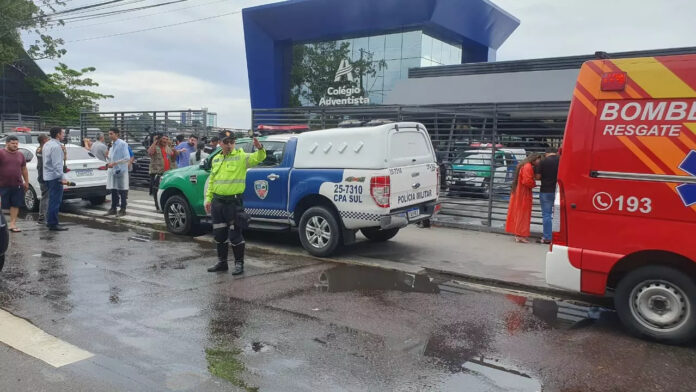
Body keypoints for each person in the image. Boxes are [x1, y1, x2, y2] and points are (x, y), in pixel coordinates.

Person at [206, 133, 266, 274]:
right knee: (219, 234)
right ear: (220, 143)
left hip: (233, 202)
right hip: (217, 202)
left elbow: (259, 158)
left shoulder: (241, 157)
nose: (229, 144)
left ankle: (239, 264)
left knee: (235, 235)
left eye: (232, 142)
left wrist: (260, 148)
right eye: (226, 142)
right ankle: (222, 263)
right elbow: (212, 181)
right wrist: (208, 199)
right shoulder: (216, 159)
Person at [505, 153, 542, 243]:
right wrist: (534, 183)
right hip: (523, 193)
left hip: (519, 192)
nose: (539, 162)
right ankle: (521, 235)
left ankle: (518, 234)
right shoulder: (528, 167)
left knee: (519, 213)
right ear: (534, 159)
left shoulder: (523, 165)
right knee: (523, 214)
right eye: (539, 160)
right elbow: (527, 181)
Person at [0, 136, 29, 232]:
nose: (15, 145)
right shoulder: (1, 153)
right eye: (13, 143)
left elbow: (24, 169)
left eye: (16, 143)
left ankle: (12, 224)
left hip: (17, 184)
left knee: (15, 204)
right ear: (7, 143)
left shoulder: (20, 155)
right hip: (2, 184)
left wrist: (26, 182)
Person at [43, 127, 70, 231]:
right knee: (55, 201)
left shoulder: (48, 144)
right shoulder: (55, 146)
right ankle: (53, 223)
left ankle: (51, 221)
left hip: (49, 176)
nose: (63, 135)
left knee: (52, 200)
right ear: (58, 134)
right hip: (55, 177)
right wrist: (62, 177)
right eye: (62, 133)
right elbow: (57, 165)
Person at [536, 148, 560, 244]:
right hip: (559, 191)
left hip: (546, 190)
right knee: (558, 215)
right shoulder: (561, 160)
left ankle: (547, 238)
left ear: (546, 153)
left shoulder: (543, 161)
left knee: (547, 215)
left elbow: (537, 177)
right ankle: (559, 238)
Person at [104, 128, 130, 216]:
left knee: (122, 191)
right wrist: (107, 157)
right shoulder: (112, 144)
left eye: (111, 134)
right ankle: (113, 208)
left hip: (121, 171)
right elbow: (111, 157)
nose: (110, 136)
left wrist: (115, 164)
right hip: (113, 171)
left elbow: (127, 158)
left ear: (117, 134)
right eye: (109, 134)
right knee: (113, 190)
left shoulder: (122, 144)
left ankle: (123, 209)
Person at [148, 134, 178, 210]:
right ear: (160, 140)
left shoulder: (169, 148)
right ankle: (158, 206)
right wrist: (155, 142)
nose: (165, 140)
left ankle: (167, 206)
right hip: (157, 173)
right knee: (157, 190)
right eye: (163, 139)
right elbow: (150, 153)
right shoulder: (156, 147)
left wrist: (175, 152)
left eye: (166, 139)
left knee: (168, 190)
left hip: (169, 173)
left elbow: (173, 159)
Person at [35, 134, 51, 224]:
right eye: (48, 139)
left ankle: (43, 216)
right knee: (45, 197)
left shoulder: (39, 149)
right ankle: (42, 217)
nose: (49, 140)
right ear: (44, 140)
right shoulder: (42, 150)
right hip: (44, 177)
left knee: (45, 196)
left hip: (42, 176)